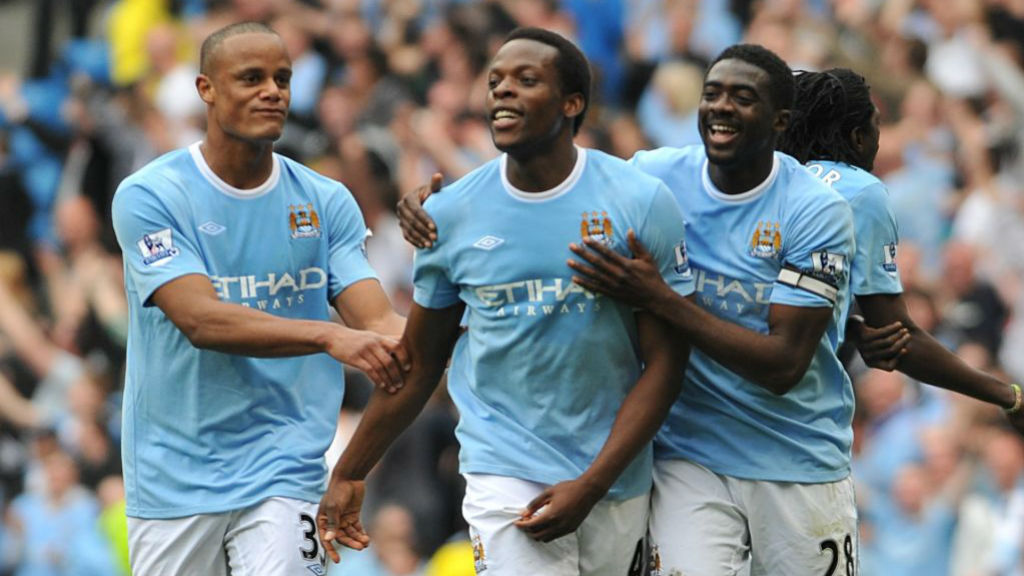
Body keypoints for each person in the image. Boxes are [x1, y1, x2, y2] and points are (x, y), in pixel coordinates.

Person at [397, 44, 858, 574]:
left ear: (780, 119)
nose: (722, 107)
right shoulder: (654, 179)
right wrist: (439, 208)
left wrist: (660, 299)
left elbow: (783, 366)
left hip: (795, 455)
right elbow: (549, 179)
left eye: (743, 98)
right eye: (712, 94)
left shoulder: (815, 211)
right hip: (688, 454)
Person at [316, 27, 693, 576]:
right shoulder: (450, 215)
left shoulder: (638, 202)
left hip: (614, 474)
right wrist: (350, 471)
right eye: (494, 81)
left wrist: (591, 485)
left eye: (526, 79)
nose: (502, 92)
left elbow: (666, 362)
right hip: (503, 471)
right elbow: (421, 362)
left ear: (572, 103)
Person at [109, 21, 408, 576]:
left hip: (286, 468)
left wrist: (454, 319)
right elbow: (198, 319)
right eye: (251, 78)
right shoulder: (151, 194)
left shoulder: (324, 201)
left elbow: (379, 323)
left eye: (283, 78)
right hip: (175, 475)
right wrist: (327, 334)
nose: (273, 91)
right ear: (206, 89)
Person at [776, 68, 1023, 428]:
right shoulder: (861, 191)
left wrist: (848, 324)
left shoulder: (761, 178)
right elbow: (897, 337)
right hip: (799, 431)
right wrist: (1008, 395)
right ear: (858, 136)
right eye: (876, 125)